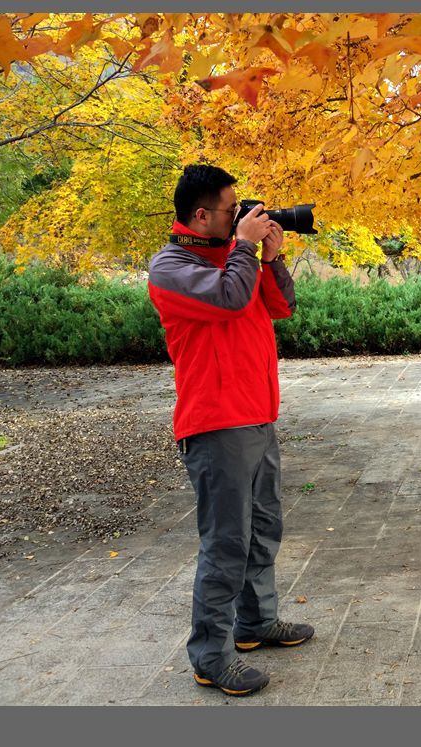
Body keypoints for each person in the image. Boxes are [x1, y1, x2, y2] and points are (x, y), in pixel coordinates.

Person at [148, 164, 313, 697]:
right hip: (216, 423)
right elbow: (229, 300)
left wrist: (271, 258)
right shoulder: (171, 268)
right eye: (231, 209)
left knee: (263, 528)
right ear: (201, 215)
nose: (241, 215)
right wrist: (244, 248)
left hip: (259, 415)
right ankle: (211, 656)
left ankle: (256, 623)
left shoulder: (232, 259)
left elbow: (280, 307)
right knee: (226, 543)